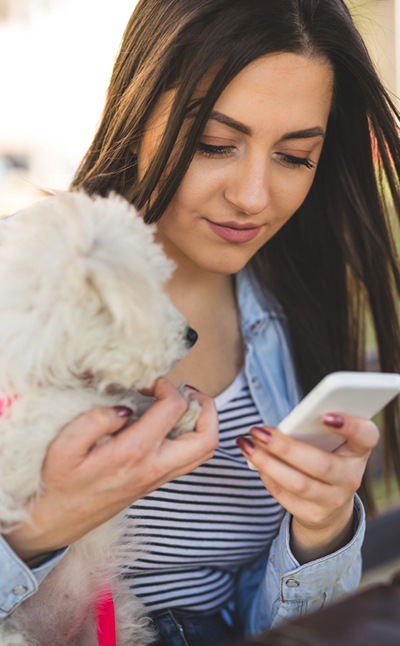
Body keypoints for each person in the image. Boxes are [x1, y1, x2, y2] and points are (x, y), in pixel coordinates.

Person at [2, 0, 400, 644]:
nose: (251, 196)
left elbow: (272, 620)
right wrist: (39, 531)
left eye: (295, 156)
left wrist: (320, 532)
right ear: (137, 111)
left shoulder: (294, 302)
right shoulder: (17, 282)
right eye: (216, 145)